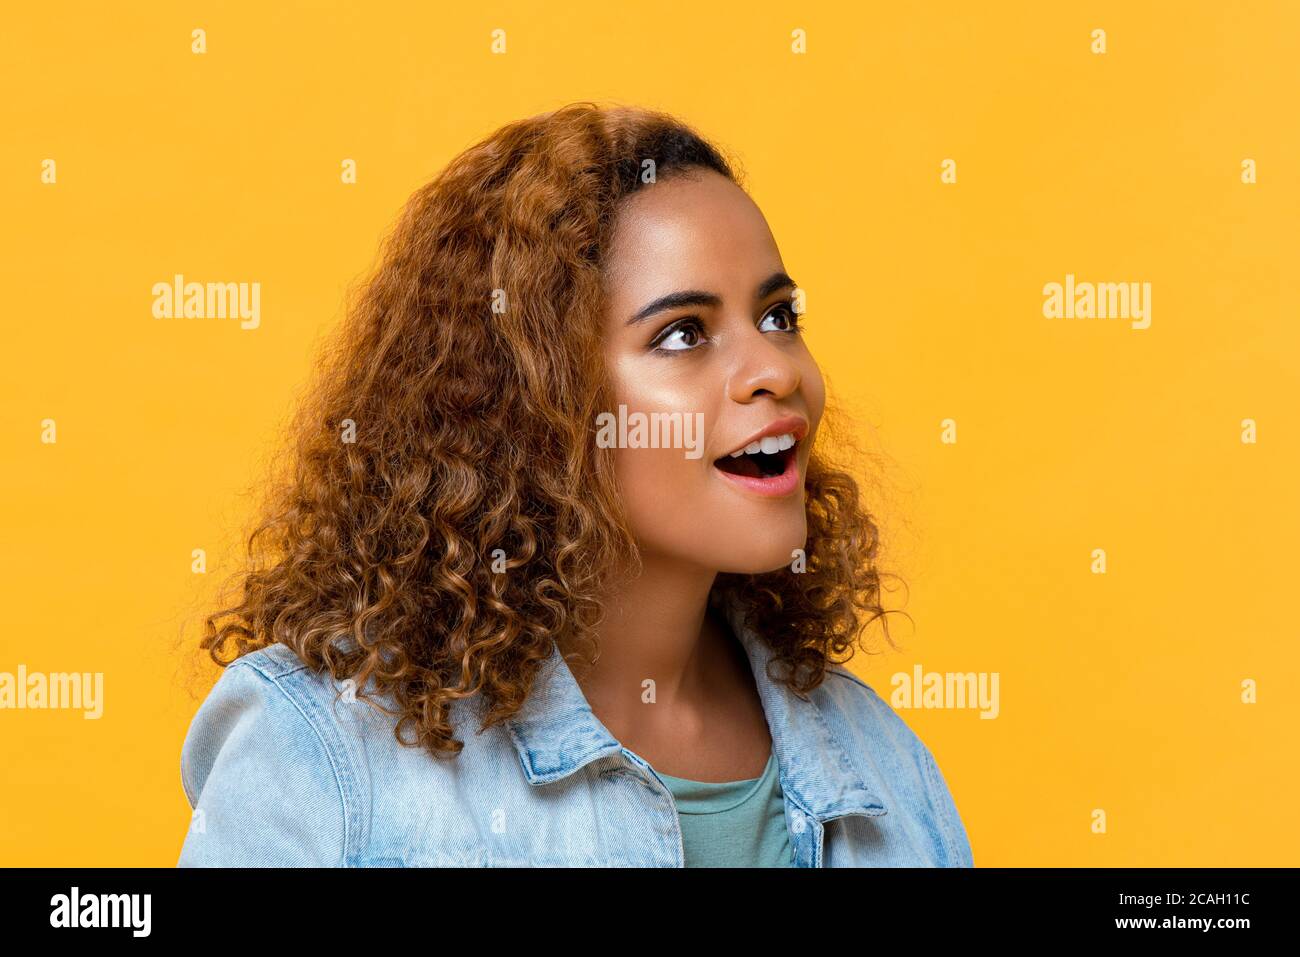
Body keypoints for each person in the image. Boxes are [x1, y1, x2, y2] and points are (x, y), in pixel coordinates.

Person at [177, 101, 974, 868]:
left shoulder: (887, 772)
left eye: (778, 317)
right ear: (534, 402)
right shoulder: (320, 751)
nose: (776, 370)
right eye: (683, 333)